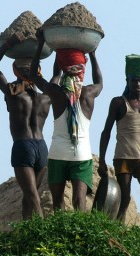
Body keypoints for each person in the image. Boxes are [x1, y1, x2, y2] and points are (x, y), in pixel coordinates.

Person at [29, 30, 103, 212]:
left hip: (57, 153)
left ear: (63, 70)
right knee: (79, 202)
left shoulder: (56, 92)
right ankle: (79, 238)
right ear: (82, 69)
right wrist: (93, 55)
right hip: (81, 153)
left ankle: (60, 237)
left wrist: (40, 45)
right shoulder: (89, 93)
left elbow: (33, 74)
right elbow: (100, 81)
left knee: (57, 204)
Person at [0, 32, 57, 219]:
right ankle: (26, 236)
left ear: (16, 71)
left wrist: (8, 44)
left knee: (33, 197)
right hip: (42, 148)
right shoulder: (47, 95)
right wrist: (51, 43)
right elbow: (58, 72)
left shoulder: (12, 92)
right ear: (38, 72)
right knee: (28, 197)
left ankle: (42, 234)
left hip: (23, 146)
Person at [98, 54, 140, 221]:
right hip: (123, 158)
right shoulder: (118, 102)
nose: (137, 84)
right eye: (134, 80)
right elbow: (106, 132)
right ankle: (118, 229)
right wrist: (102, 159)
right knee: (124, 198)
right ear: (127, 80)